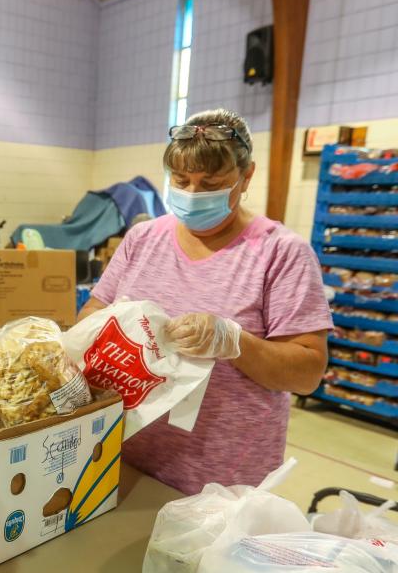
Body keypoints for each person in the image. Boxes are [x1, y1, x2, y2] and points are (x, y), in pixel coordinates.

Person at [79, 108, 332, 494]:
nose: (193, 194)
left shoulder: (280, 253)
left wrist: (233, 341)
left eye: (211, 183)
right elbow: (92, 313)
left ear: (246, 176)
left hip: (222, 476)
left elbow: (307, 371)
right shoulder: (143, 240)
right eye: (181, 181)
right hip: (125, 456)